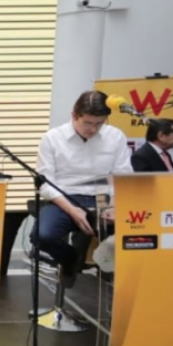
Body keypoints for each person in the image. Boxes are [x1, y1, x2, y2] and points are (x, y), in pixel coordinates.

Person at [32, 91, 132, 287]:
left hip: (103, 197)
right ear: (74, 115)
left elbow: (123, 177)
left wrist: (114, 205)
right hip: (65, 197)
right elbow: (45, 183)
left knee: (134, 232)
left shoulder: (115, 136)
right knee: (42, 236)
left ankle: (117, 282)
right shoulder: (52, 138)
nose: (93, 129)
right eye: (87, 123)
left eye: (99, 124)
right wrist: (73, 210)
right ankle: (70, 260)